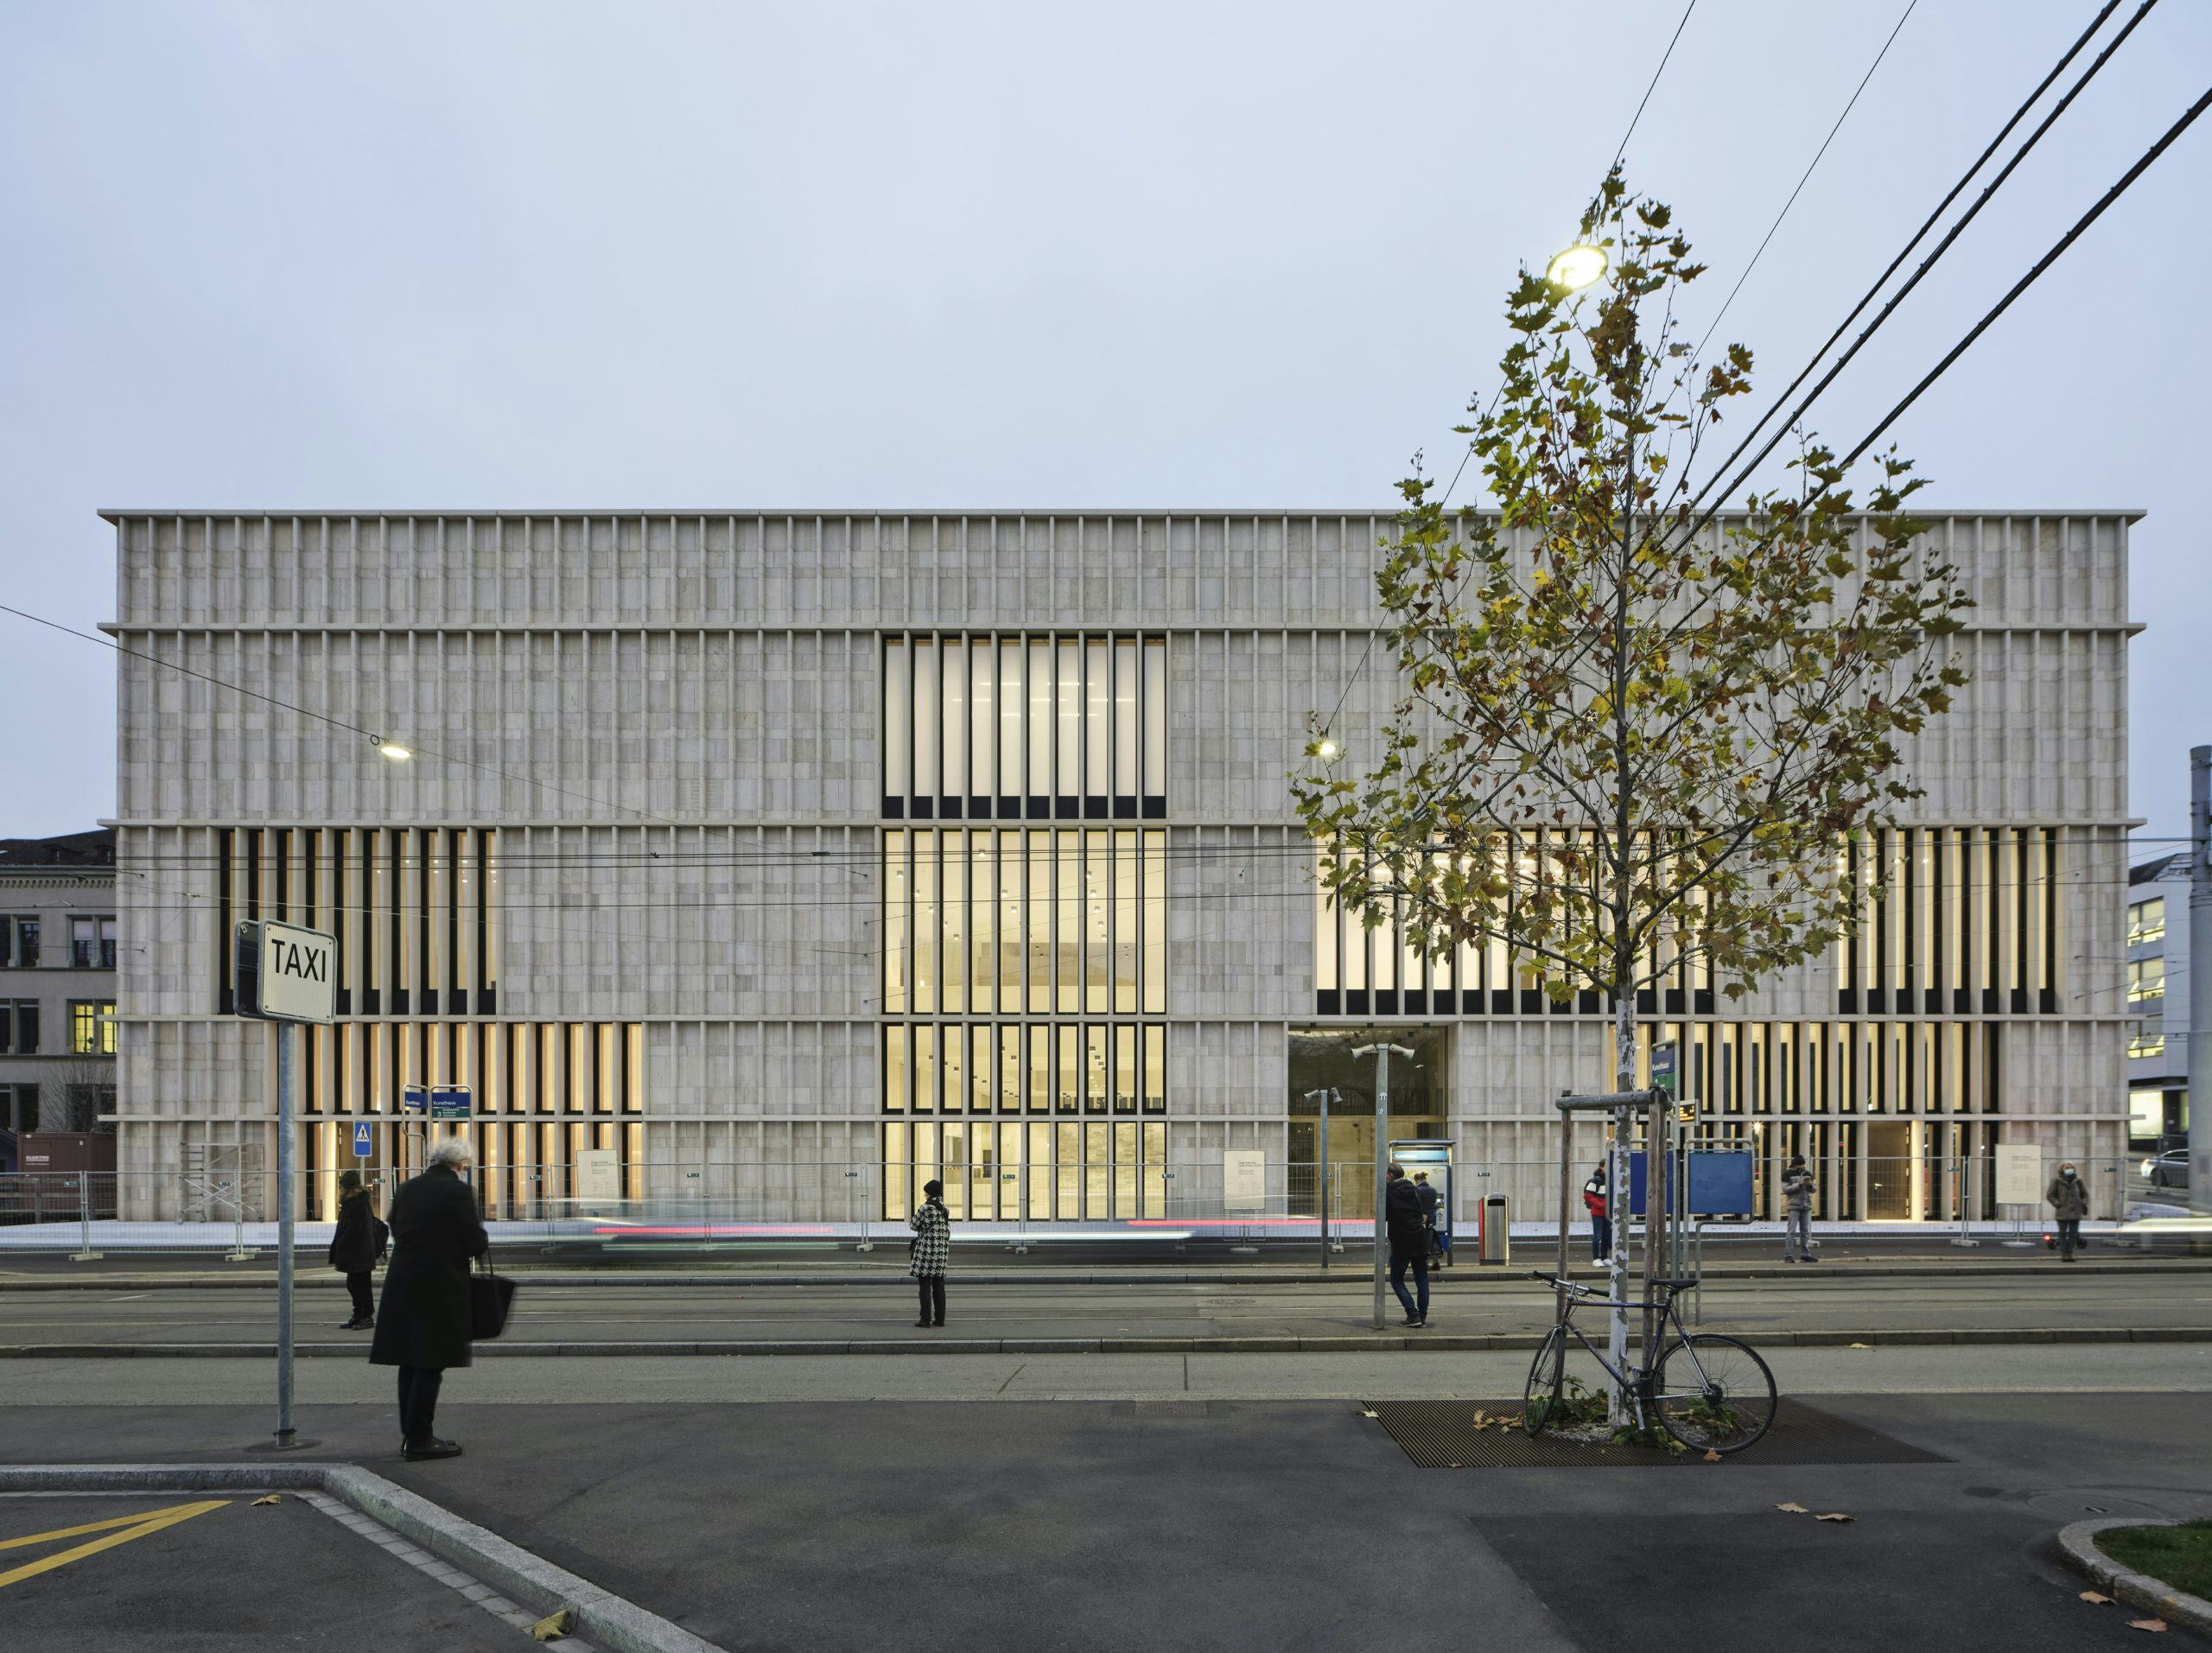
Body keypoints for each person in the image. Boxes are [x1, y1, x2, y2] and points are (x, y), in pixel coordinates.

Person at [369, 1137, 488, 1460]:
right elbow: (475, 1242)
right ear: (461, 1165)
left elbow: (395, 1225)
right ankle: (420, 1439)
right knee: (430, 1363)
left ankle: (412, 1436)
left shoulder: (408, 1188)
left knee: (410, 1362)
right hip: (438, 1285)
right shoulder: (458, 1191)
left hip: (403, 1281)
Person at [328, 1169, 389, 1328]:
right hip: (356, 1252)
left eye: (341, 1187)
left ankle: (366, 1316)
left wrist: (342, 1243)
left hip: (359, 1252)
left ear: (348, 1188)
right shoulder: (353, 1203)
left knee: (360, 1285)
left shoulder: (359, 1204)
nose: (339, 1190)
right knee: (354, 1284)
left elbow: (355, 1230)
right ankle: (359, 1314)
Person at [1384, 1165, 1430, 1327]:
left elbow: (1384, 1215)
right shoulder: (1414, 1189)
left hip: (1401, 1240)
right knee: (1422, 1277)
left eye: (1385, 1175)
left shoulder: (1388, 1192)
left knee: (1396, 1279)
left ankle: (1412, 1313)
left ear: (1390, 1175)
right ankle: (1422, 1315)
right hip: (1418, 1237)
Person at [909, 1178, 950, 1326]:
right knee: (939, 1285)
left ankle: (925, 1319)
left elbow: (913, 1225)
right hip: (940, 1253)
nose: (925, 1196)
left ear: (930, 1193)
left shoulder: (925, 1208)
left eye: (926, 1193)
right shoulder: (945, 1210)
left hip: (926, 1253)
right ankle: (940, 1319)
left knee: (925, 1285)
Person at [2046, 1160, 2089, 1262]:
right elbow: (2050, 1195)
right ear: (2062, 1169)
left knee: (2074, 1234)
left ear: (2074, 1169)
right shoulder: (2056, 1180)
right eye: (2067, 1167)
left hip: (2076, 1211)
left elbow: (2085, 1194)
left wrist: (2083, 1203)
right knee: (2062, 1233)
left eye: (2071, 1167)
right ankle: (2064, 1253)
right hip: (2063, 1211)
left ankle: (2070, 1252)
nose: (2069, 1169)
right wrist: (2058, 1204)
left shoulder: (2078, 1181)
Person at [1782, 1155, 1817, 1264]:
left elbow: (1814, 1189)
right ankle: (1789, 1255)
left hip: (1805, 1206)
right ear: (1795, 1165)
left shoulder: (1807, 1173)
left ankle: (1805, 1255)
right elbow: (1786, 1189)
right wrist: (1800, 1185)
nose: (1802, 1167)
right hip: (1794, 1206)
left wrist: (1810, 1185)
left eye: (1803, 1164)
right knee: (1791, 1231)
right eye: (1800, 1165)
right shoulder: (1787, 1174)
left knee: (1805, 1232)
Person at [1413, 1172, 1447, 1268]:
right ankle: (1435, 1262)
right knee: (1430, 1240)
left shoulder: (1417, 1190)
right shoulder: (1433, 1190)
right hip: (1431, 1219)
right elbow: (1439, 1204)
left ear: (1417, 1180)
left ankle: (1424, 1263)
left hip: (1420, 1220)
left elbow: (1415, 1205)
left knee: (1421, 1242)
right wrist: (1432, 1210)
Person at [1583, 1167, 1609, 1265]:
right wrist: (1599, 1204)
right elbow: (1588, 1195)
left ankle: (1604, 1257)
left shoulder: (1610, 1179)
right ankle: (1596, 1259)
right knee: (1598, 1236)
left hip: (1607, 1213)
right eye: (1605, 1166)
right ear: (1601, 1167)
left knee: (1606, 1236)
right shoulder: (1596, 1180)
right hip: (1597, 1213)